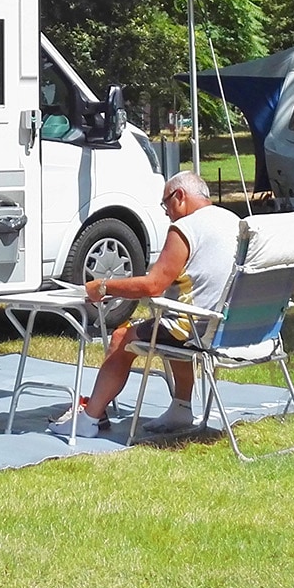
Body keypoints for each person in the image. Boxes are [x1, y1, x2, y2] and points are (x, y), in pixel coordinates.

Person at [50, 169, 239, 437]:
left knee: (120, 338)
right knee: (171, 321)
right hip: (231, 327)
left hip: (195, 329)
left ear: (180, 196)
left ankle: (89, 419)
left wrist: (102, 286)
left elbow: (153, 285)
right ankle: (181, 409)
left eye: (166, 203)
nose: (165, 212)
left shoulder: (185, 228)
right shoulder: (233, 220)